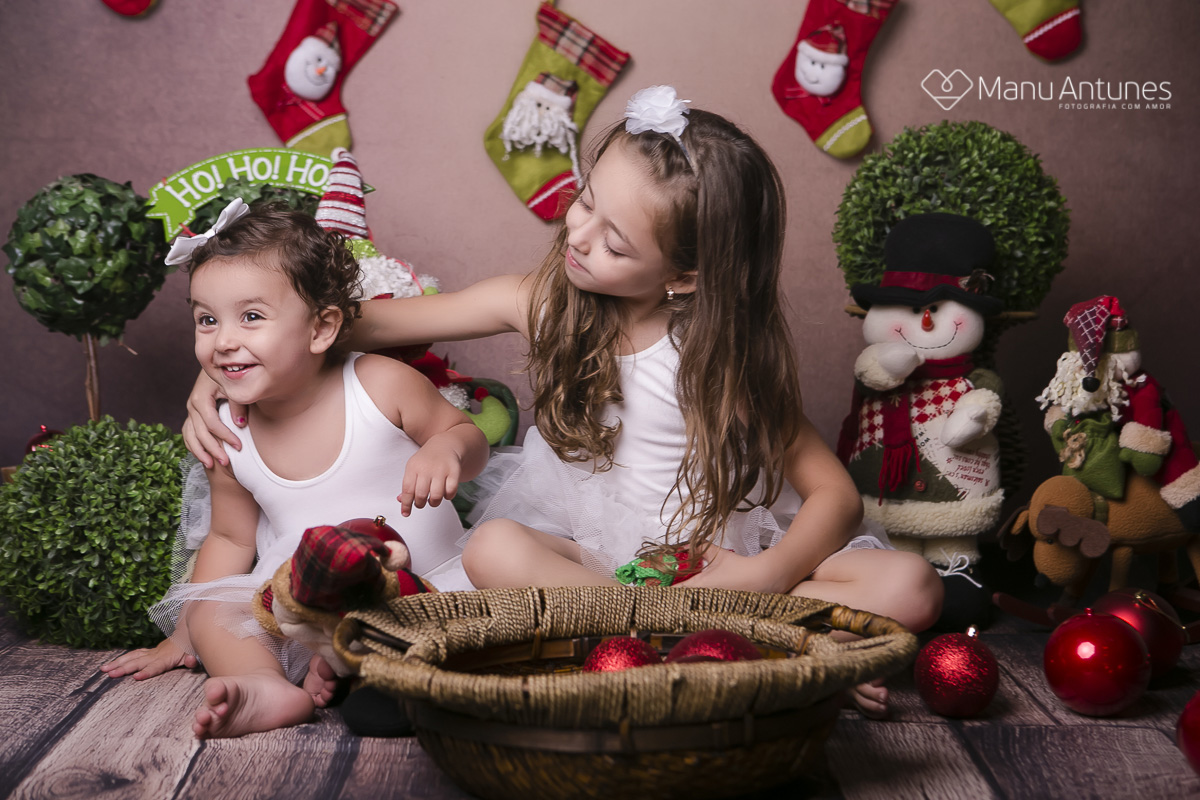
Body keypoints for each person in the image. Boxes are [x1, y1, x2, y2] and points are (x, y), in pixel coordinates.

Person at [183, 87, 942, 717]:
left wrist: (767, 575)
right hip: (599, 571)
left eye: (615, 242)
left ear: (684, 278)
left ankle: (703, 643)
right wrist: (224, 366)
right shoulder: (541, 302)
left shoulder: (721, 365)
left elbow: (835, 497)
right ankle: (732, 654)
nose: (577, 235)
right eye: (584, 202)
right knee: (490, 550)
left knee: (911, 584)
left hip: (724, 569)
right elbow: (342, 327)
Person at [101, 201, 489, 738]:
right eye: (206, 319)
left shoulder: (377, 384)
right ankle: (264, 685)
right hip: (302, 608)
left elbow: (470, 437)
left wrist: (446, 450)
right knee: (216, 609)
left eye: (251, 316)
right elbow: (231, 538)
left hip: (429, 587)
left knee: (476, 609)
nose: (224, 339)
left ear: (322, 328)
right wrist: (183, 636)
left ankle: (380, 669)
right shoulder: (228, 434)